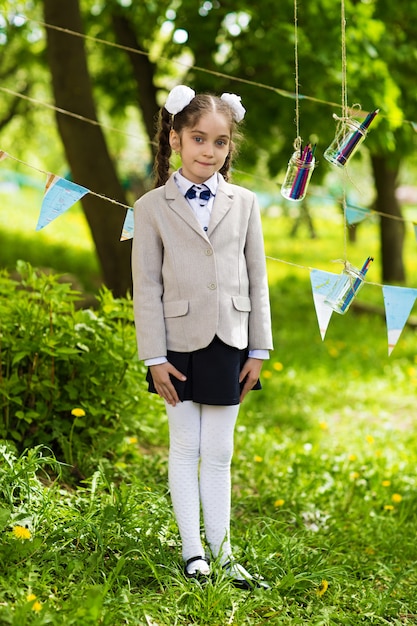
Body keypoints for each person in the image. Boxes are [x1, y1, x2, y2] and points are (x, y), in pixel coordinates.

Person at [132, 85, 273, 589]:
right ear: (175, 139)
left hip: (231, 342)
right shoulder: (150, 207)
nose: (208, 151)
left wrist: (259, 349)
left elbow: (257, 277)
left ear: (229, 147)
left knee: (220, 452)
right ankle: (193, 552)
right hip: (175, 347)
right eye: (198, 139)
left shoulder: (247, 203)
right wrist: (152, 356)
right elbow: (145, 287)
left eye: (219, 142)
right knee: (184, 446)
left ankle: (224, 552)